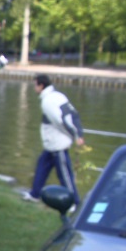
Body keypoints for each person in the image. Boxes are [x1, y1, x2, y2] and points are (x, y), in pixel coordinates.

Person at [22, 74, 85, 206]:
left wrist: (76, 136)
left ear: (41, 85)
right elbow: (73, 114)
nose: (34, 88)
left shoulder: (47, 102)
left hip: (58, 146)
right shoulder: (58, 96)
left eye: (35, 85)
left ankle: (74, 203)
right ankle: (35, 194)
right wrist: (78, 132)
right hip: (51, 145)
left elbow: (60, 121)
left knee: (65, 175)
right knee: (41, 167)